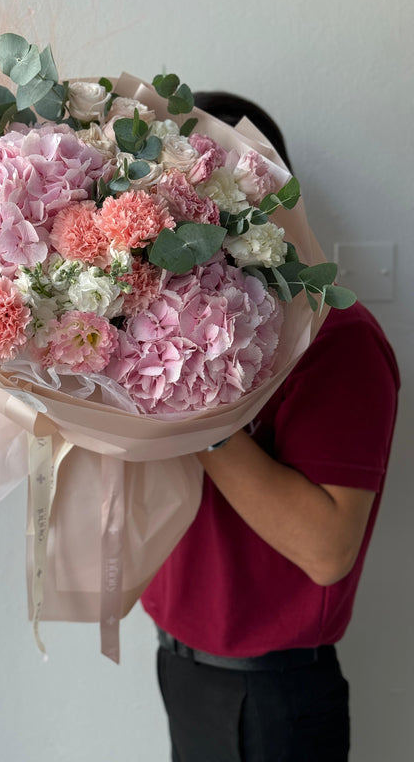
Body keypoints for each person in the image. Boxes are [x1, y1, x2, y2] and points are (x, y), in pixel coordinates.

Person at [140, 92, 400, 762]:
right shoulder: (153, 331)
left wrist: (199, 409)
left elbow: (325, 548)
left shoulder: (335, 340)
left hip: (267, 695)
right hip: (181, 668)